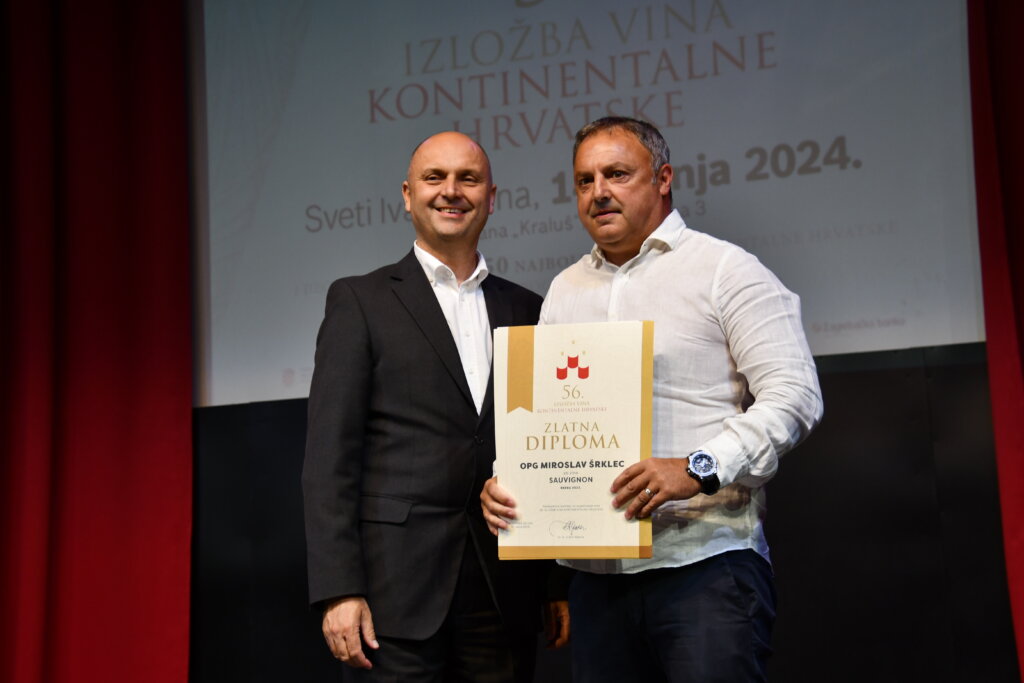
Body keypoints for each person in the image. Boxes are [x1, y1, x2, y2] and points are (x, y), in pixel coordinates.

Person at [482, 117, 823, 682]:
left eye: (617, 174)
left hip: (703, 566)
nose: (599, 192)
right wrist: (510, 481)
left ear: (663, 179)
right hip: (597, 583)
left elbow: (795, 396)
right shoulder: (566, 290)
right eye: (585, 180)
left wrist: (697, 467)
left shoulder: (724, 270)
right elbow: (545, 414)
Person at [303, 131, 567, 682]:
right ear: (407, 195)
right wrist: (338, 588)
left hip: (504, 589)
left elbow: (547, 450)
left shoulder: (528, 309)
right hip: (393, 596)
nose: (451, 191)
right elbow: (330, 459)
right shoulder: (360, 301)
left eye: (468, 179)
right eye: (434, 177)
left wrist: (552, 582)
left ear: (491, 198)